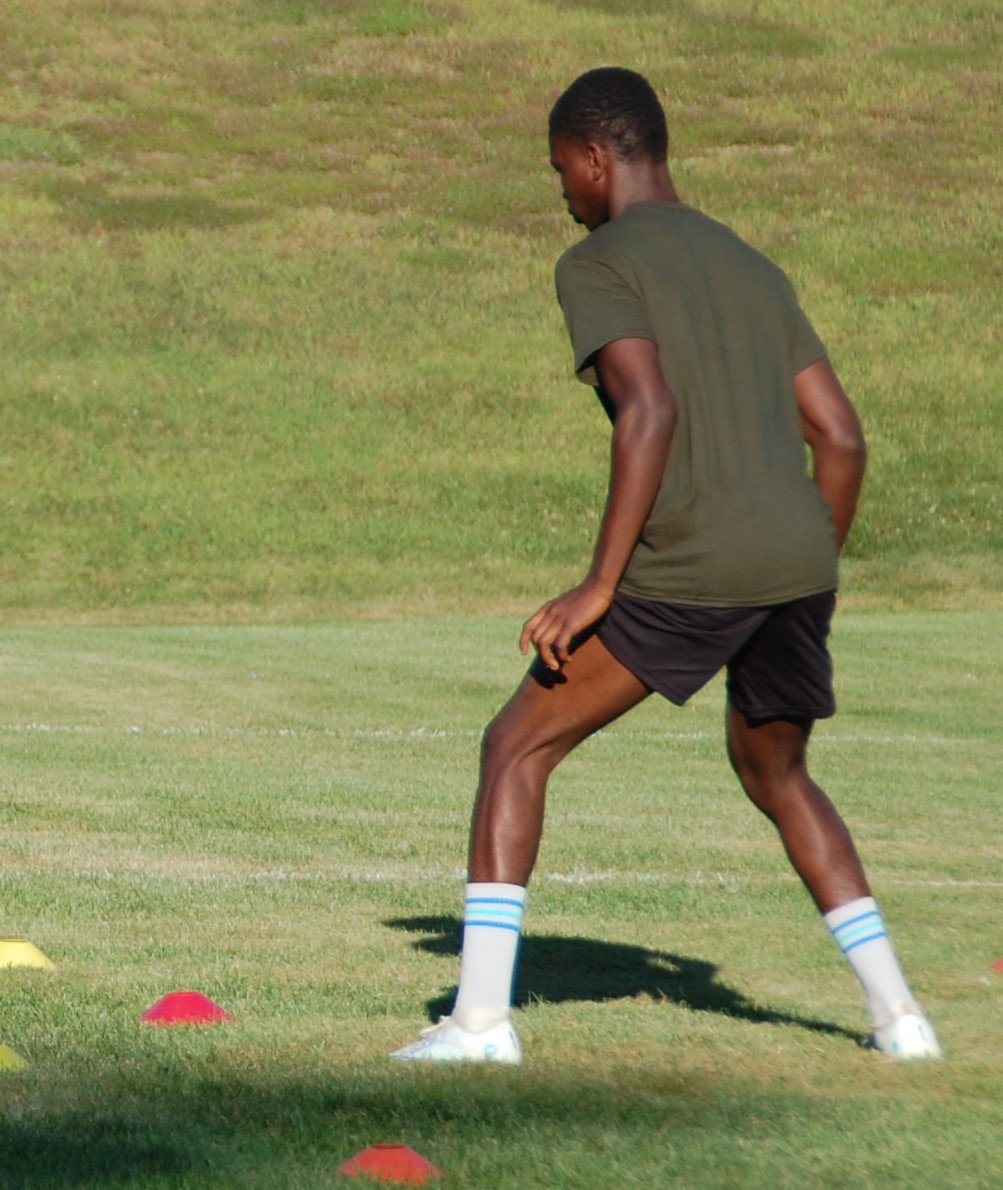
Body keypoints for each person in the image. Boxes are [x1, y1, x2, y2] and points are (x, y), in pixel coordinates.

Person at [391, 67, 939, 1063]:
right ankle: (901, 1019)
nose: (561, 192)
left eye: (561, 171)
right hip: (797, 563)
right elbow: (843, 438)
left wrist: (600, 584)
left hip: (692, 566)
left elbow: (649, 411)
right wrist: (805, 557)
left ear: (597, 158)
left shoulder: (598, 264)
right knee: (775, 770)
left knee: (514, 745)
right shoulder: (750, 263)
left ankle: (476, 1023)